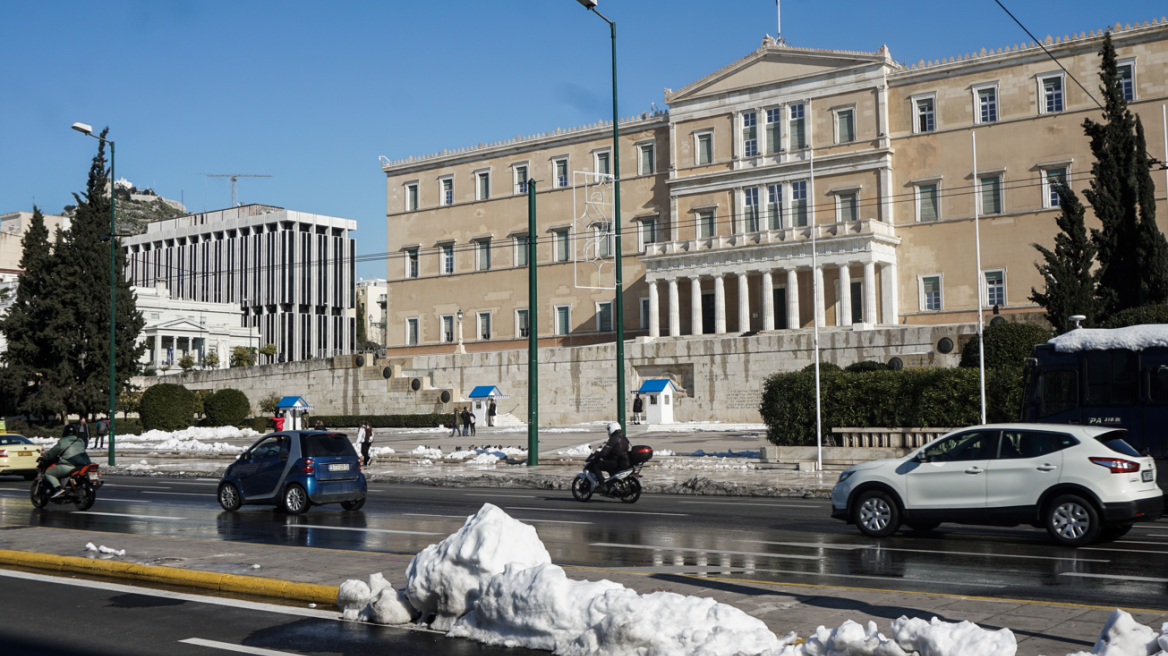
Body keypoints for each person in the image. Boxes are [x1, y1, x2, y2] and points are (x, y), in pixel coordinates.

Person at [43, 423, 92, 499]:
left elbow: (53, 452)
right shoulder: (80, 440)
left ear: (64, 432)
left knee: (48, 473)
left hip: (68, 465)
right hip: (81, 465)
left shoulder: (62, 441)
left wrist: (44, 458)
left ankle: (59, 489)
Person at [585, 422, 630, 489]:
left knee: (596, 466)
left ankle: (602, 485)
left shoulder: (613, 438)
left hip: (614, 462)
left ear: (613, 428)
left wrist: (597, 454)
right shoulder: (623, 437)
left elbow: (604, 453)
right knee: (607, 465)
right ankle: (611, 484)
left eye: (609, 429)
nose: (608, 431)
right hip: (621, 461)